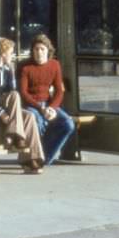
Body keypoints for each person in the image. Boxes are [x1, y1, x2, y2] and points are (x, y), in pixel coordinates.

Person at [0, 37, 45, 173]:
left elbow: (12, 89)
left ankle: (31, 159)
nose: (12, 55)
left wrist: (11, 70)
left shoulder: (7, 69)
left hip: (9, 107)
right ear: (2, 53)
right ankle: (16, 137)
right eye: (10, 52)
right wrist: (1, 112)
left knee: (30, 116)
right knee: (15, 96)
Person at [19, 34, 75, 166]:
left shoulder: (54, 65)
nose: (39, 52)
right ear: (32, 51)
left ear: (48, 51)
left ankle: (45, 159)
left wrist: (52, 108)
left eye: (42, 49)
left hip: (49, 105)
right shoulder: (25, 67)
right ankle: (34, 157)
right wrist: (40, 108)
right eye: (36, 49)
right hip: (32, 105)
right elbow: (23, 92)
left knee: (68, 124)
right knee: (37, 120)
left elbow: (59, 90)